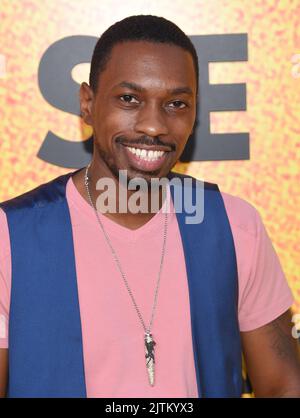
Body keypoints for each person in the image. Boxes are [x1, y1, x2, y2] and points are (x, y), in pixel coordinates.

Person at [0, 14, 299, 398]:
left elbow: (283, 386)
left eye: (176, 103)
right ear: (88, 104)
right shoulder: (11, 237)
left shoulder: (235, 226)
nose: (154, 125)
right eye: (129, 99)